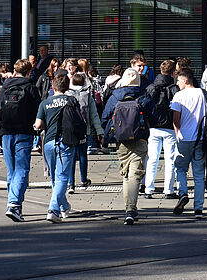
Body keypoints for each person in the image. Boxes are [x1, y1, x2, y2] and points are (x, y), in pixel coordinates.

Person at [101, 68, 154, 224]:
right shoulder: (144, 96)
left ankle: (129, 208)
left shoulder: (114, 97)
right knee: (135, 174)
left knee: (125, 174)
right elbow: (155, 118)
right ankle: (131, 209)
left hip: (120, 140)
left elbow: (105, 118)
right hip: (140, 139)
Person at [0, 59, 42, 222]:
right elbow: (38, 109)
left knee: (12, 170)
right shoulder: (30, 87)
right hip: (24, 132)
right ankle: (14, 204)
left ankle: (13, 203)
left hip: (6, 131)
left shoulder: (6, 85)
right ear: (29, 72)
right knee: (22, 169)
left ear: (15, 71)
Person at [34, 72, 82, 223]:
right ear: (67, 86)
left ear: (53, 87)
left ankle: (64, 207)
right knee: (62, 177)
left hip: (48, 143)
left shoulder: (45, 103)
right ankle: (53, 209)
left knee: (56, 177)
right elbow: (78, 118)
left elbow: (39, 124)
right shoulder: (71, 100)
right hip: (66, 142)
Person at [169, 67, 207, 216]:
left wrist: (177, 133)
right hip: (201, 137)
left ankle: (183, 193)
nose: (177, 83)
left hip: (184, 138)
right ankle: (198, 208)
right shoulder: (204, 93)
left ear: (185, 81)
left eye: (178, 80)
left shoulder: (179, 96)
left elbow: (175, 119)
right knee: (199, 174)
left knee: (180, 168)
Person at [145, 59, 180, 199]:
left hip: (153, 127)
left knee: (152, 159)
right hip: (169, 127)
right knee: (170, 159)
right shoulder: (174, 89)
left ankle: (148, 189)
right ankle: (168, 190)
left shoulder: (151, 87)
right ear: (173, 72)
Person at [67, 72, 103, 193]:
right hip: (84, 130)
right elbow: (94, 115)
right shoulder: (87, 96)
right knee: (83, 155)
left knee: (71, 156)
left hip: (70, 131)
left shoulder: (67, 95)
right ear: (84, 83)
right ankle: (83, 180)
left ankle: (71, 184)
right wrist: (99, 131)